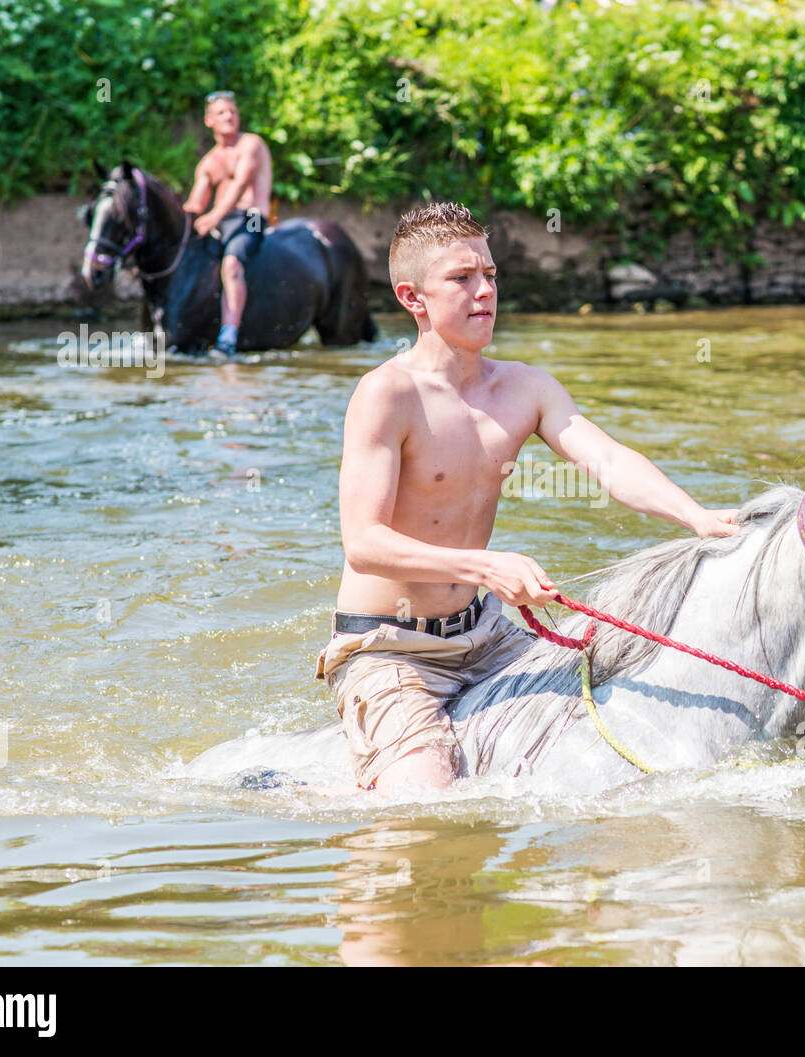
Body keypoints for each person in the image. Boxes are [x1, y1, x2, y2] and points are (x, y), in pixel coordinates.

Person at [314, 202, 739, 794]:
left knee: (620, 696)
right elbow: (364, 544)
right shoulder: (386, 394)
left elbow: (610, 461)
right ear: (414, 298)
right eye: (461, 279)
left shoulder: (524, 387)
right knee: (425, 808)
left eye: (489, 275)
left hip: (486, 636)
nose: (484, 291)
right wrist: (488, 566)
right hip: (390, 647)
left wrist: (697, 517)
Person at [182, 91, 274, 358]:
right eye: (222, 113)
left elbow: (240, 184)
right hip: (222, 222)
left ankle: (228, 336)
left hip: (252, 217)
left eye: (233, 111)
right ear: (208, 120)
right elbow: (195, 206)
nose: (230, 116)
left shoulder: (251, 144)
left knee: (232, 262)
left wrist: (212, 217)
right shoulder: (208, 162)